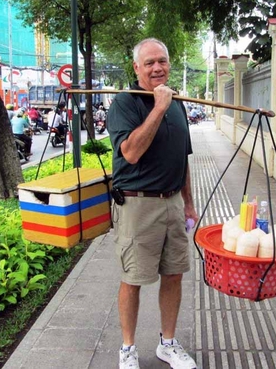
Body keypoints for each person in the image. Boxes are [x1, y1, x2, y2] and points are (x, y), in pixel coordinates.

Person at [107, 38, 198, 369]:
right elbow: (130, 153)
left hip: (172, 202)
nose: (157, 67)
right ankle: (128, 349)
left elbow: (182, 157)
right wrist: (158, 107)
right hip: (137, 205)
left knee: (173, 275)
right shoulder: (125, 103)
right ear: (137, 68)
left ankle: (168, 343)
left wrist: (188, 203)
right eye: (149, 63)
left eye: (162, 61)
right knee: (133, 278)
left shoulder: (178, 104)